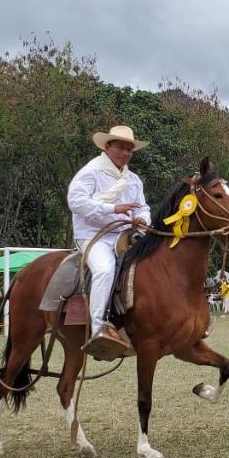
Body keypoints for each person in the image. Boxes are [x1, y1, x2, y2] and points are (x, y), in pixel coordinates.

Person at [67, 125, 150, 359]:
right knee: (104, 269)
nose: (125, 153)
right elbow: (76, 201)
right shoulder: (90, 172)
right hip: (95, 236)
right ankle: (98, 328)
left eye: (129, 149)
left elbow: (142, 205)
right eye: (121, 148)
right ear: (107, 147)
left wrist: (142, 218)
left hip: (125, 236)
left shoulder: (133, 179)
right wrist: (113, 208)